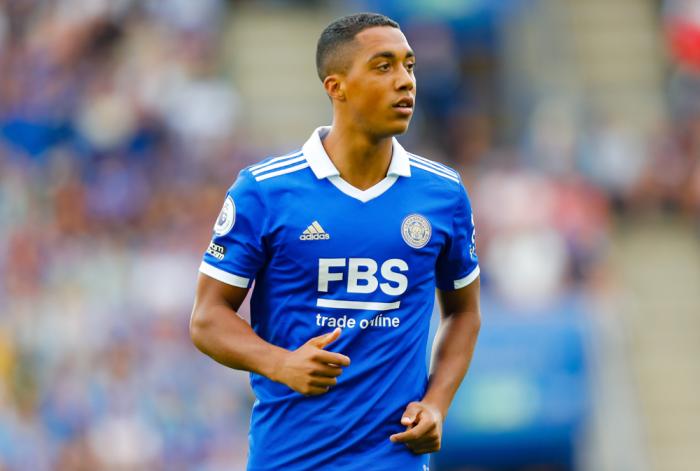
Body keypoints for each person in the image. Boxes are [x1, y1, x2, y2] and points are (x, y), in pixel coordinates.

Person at [190, 12, 481, 471]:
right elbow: (207, 318)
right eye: (383, 66)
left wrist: (436, 403)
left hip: (393, 458)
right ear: (336, 86)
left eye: (409, 66)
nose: (405, 81)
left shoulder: (442, 194)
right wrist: (280, 363)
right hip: (289, 457)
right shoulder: (265, 191)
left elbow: (463, 313)